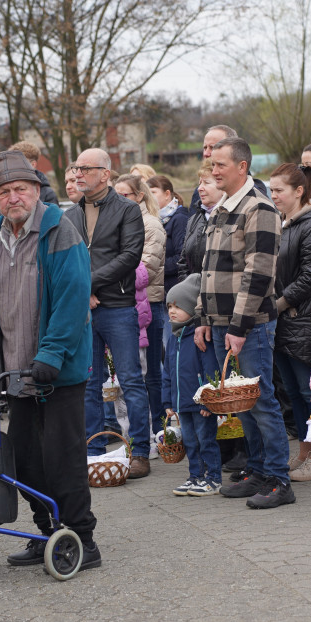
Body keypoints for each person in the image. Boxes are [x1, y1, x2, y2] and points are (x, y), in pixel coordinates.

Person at [0, 149, 100, 570]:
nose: (14, 197)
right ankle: (49, 533)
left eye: (22, 189)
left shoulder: (60, 233)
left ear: (36, 191)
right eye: (5, 191)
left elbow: (72, 301)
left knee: (63, 459)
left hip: (58, 373)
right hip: (14, 372)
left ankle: (82, 540)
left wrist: (52, 353)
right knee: (24, 461)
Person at [194, 137, 294, 509]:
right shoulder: (223, 207)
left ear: (241, 167)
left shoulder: (260, 208)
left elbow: (258, 274)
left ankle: (280, 480)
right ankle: (257, 470)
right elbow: (209, 269)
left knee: (261, 399)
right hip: (221, 322)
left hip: (248, 325)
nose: (213, 169)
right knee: (242, 402)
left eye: (220, 164)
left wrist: (238, 326)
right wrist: (205, 318)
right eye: (212, 164)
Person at [65, 148, 153, 477]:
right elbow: (64, 260)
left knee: (131, 380)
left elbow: (129, 256)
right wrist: (81, 290)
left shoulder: (127, 210)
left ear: (105, 173)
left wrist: (89, 284)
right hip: (83, 310)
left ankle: (140, 452)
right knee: (88, 381)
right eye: (76, 169)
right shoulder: (69, 215)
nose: (77, 175)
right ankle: (92, 452)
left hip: (117, 307)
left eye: (85, 169)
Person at [266, 163, 311, 481]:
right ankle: (303, 451)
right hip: (281, 320)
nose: (273, 195)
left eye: (279, 190)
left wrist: (278, 304)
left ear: (299, 191)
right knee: (291, 391)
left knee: (309, 392)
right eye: (272, 189)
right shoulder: (282, 223)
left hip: (302, 319)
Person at [115, 173, 167, 436]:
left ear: (139, 196)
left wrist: (110, 277)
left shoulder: (150, 225)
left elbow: (147, 267)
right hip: (125, 304)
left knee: (152, 376)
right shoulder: (119, 223)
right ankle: (136, 431)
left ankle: (158, 430)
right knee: (130, 375)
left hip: (151, 305)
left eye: (124, 195)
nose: (118, 200)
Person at [163, 274, 222, 495]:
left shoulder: (199, 337)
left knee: (206, 439)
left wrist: (209, 402)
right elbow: (167, 372)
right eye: (169, 306)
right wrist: (167, 400)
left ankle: (213, 478)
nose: (171, 311)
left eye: (177, 306)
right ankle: (195, 476)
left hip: (200, 405)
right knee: (190, 442)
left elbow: (210, 371)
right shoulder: (173, 338)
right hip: (182, 403)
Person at [189, 125, 268, 214]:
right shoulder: (199, 192)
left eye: (213, 147)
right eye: (205, 147)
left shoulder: (256, 200)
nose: (206, 153)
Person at [146, 175, 190, 294]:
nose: (149, 197)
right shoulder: (153, 220)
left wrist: (153, 269)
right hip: (159, 288)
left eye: (153, 192)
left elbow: (182, 257)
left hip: (174, 289)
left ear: (167, 194)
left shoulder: (179, 219)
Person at [178, 160, 219, 279]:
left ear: (222, 186)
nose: (200, 188)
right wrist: (188, 287)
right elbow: (183, 262)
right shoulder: (194, 219)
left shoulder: (232, 216)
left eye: (206, 182)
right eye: (200, 183)